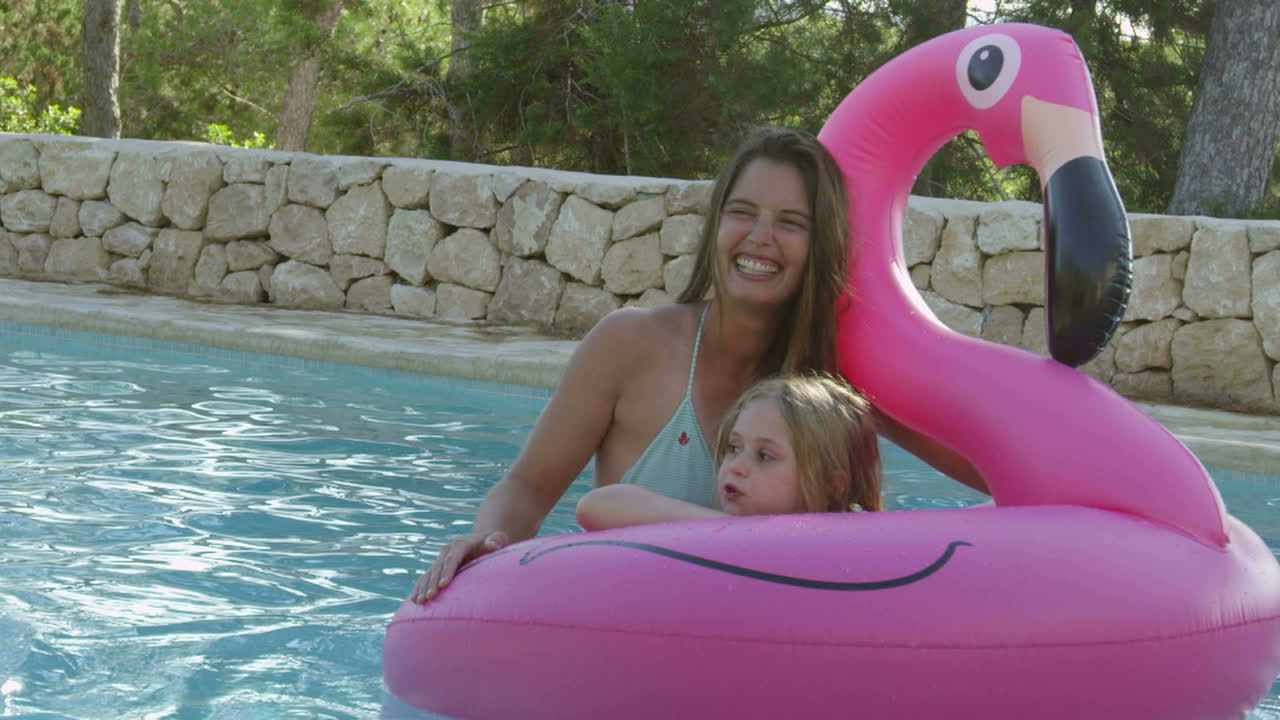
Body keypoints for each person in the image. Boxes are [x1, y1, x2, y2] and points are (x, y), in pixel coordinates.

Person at [410, 127, 984, 604]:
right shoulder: (632, 344)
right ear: (716, 225)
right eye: (743, 213)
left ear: (820, 244)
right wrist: (485, 543)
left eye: (791, 222)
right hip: (628, 639)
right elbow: (529, 486)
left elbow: (985, 467)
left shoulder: (834, 381)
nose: (760, 238)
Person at [575, 374, 882, 530]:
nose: (735, 466)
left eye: (764, 456)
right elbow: (595, 507)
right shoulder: (715, 528)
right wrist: (729, 530)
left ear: (832, 483)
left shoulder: (849, 546)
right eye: (734, 448)